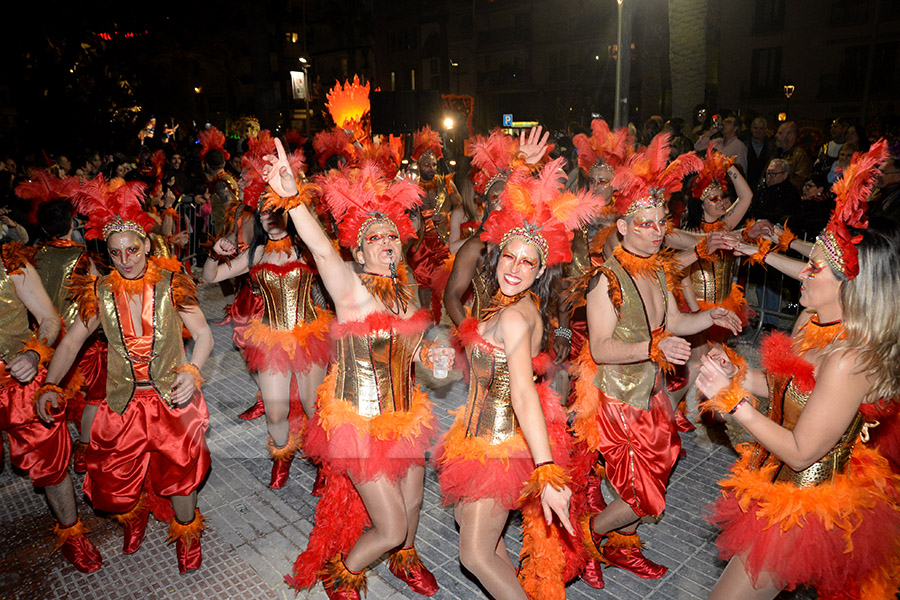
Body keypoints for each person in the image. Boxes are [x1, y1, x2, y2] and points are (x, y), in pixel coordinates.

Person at [696, 140, 900, 600]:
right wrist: (731, 371)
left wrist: (736, 405)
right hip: (778, 486)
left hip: (806, 507)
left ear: (852, 289)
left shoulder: (850, 358)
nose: (804, 274)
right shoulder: (815, 325)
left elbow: (803, 452)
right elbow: (779, 387)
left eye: (816, 270)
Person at [265, 141, 453, 599]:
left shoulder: (404, 289)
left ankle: (405, 560)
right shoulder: (348, 285)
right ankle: (343, 574)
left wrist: (433, 359)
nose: (386, 243)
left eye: (392, 235)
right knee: (388, 528)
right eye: (374, 238)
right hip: (357, 424)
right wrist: (293, 200)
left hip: (406, 415)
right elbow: (321, 250)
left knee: (411, 507)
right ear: (359, 247)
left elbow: (409, 351)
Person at [571, 134, 742, 588]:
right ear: (623, 228)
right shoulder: (605, 281)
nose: (658, 230)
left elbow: (673, 322)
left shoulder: (658, 269)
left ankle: (622, 546)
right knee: (648, 498)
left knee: (659, 467)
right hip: (618, 400)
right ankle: (585, 536)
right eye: (646, 224)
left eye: (661, 222)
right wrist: (652, 348)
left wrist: (710, 315)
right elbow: (601, 349)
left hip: (653, 394)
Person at [434, 158, 606, 599]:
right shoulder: (507, 304)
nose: (514, 267)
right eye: (509, 255)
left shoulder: (513, 316)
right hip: (477, 436)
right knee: (478, 535)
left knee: (473, 553)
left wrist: (546, 469)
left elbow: (525, 395)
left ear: (540, 270)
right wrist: (521, 168)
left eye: (528, 262)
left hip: (500, 443)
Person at [36, 176, 213, 573]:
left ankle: (187, 534)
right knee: (114, 486)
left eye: (134, 249)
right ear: (107, 254)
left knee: (181, 478)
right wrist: (50, 383)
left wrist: (192, 370)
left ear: (148, 245)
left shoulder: (172, 284)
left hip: (172, 400)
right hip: (122, 404)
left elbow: (202, 334)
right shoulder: (98, 293)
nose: (127, 259)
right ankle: (135, 517)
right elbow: (69, 344)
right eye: (116, 253)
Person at [203, 135, 331, 489]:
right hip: (271, 338)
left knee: (311, 406)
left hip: (308, 336)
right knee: (275, 410)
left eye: (277, 209)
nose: (270, 216)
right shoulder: (256, 254)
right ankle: (282, 457)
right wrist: (215, 252)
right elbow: (210, 277)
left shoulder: (308, 250)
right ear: (258, 215)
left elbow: (333, 261)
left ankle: (322, 464)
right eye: (264, 210)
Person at [0, 239, 103, 573]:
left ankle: (72, 532)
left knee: (52, 461)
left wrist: (34, 353)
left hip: (19, 382)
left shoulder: (11, 265)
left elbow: (49, 319)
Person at [406, 125, 460, 315]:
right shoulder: (411, 185)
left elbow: (461, 208)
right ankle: (425, 316)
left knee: (447, 280)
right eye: (427, 165)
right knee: (423, 281)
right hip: (421, 242)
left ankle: (449, 315)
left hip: (442, 240)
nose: (431, 168)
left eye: (434, 165)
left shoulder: (445, 183)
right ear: (419, 165)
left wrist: (446, 217)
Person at [773, 121, 812, 191]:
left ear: (790, 135)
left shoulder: (801, 155)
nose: (776, 135)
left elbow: (801, 180)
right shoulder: (776, 152)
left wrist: (779, 184)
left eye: (780, 133)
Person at [745, 117, 773, 189]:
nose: (758, 131)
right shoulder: (744, 145)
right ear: (751, 129)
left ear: (765, 130)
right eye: (755, 128)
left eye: (761, 128)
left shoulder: (771, 146)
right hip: (747, 183)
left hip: (765, 184)